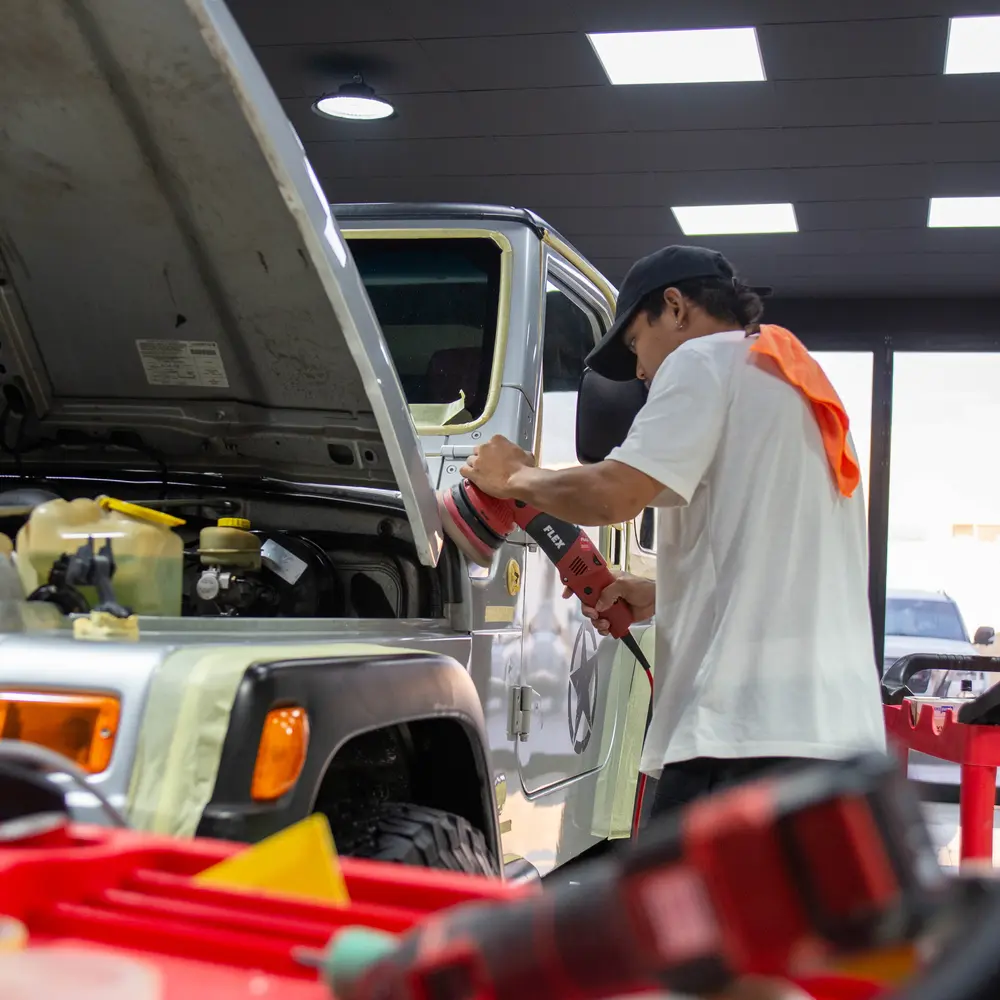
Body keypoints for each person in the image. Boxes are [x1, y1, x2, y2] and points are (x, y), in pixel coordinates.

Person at [460, 244, 887, 822]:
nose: (639, 370)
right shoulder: (797, 385)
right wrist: (662, 594)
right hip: (839, 746)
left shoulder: (704, 361)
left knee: (679, 912)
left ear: (676, 307)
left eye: (636, 342)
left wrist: (514, 475)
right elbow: (783, 558)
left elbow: (613, 494)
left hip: (743, 740)